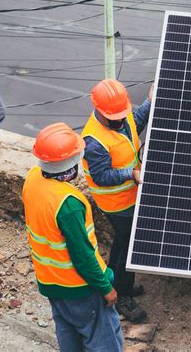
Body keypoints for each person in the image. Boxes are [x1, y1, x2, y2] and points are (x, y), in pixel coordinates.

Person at [22, 123, 123, 351]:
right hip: (80, 288)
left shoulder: (33, 179)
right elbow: (83, 255)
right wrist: (106, 287)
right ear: (70, 163)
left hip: (50, 282)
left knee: (68, 334)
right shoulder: (68, 204)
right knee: (104, 339)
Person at [81, 79, 153, 323]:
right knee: (125, 248)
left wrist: (149, 102)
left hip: (131, 196)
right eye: (116, 115)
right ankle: (121, 294)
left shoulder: (120, 119)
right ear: (101, 111)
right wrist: (130, 174)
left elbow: (135, 124)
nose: (121, 119)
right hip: (117, 205)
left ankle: (121, 283)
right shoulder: (94, 141)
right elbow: (101, 177)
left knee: (124, 245)